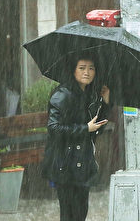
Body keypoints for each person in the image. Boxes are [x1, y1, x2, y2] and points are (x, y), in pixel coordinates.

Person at [41, 53, 112, 220]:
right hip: (65, 163)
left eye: (91, 68)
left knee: (81, 212)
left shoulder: (90, 95)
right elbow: (54, 128)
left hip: (82, 162)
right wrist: (84, 128)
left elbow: (96, 129)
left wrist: (106, 102)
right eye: (82, 68)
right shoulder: (62, 94)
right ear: (73, 71)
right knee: (69, 213)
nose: (87, 72)